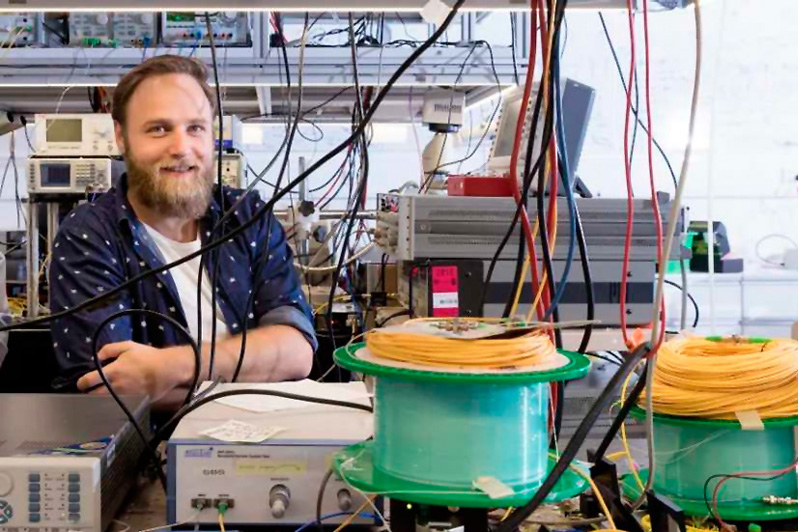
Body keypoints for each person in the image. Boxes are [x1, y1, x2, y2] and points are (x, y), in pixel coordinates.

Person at [49, 55, 315, 411]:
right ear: (121, 137)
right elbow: (109, 389)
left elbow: (297, 353)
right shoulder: (90, 235)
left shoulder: (248, 216)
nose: (181, 147)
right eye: (158, 129)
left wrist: (170, 367)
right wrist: (256, 370)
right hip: (148, 454)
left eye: (195, 128)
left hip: (266, 444)